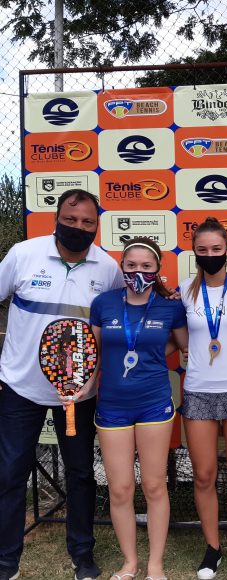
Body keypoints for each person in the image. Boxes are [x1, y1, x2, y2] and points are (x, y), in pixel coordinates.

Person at [0, 189, 124, 580]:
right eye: (71, 220)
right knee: (10, 474)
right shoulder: (23, 254)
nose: (78, 227)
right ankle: (6, 560)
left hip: (80, 394)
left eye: (88, 222)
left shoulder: (108, 269)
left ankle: (82, 555)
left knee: (81, 474)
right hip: (20, 388)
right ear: (56, 218)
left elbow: (116, 323)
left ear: (97, 225)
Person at [89, 237, 188, 580]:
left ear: (158, 269)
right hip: (112, 405)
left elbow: (183, 345)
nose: (138, 272)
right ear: (122, 267)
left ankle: (155, 565)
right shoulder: (104, 303)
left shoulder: (170, 306)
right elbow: (94, 352)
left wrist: (153, 353)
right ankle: (130, 563)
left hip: (153, 403)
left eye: (146, 266)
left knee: (154, 486)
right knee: (119, 489)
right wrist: (84, 387)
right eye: (131, 266)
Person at [179, 217, 227, 580]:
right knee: (203, 476)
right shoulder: (184, 290)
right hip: (198, 391)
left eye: (216, 248)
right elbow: (180, 336)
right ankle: (212, 548)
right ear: (194, 252)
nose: (210, 254)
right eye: (202, 249)